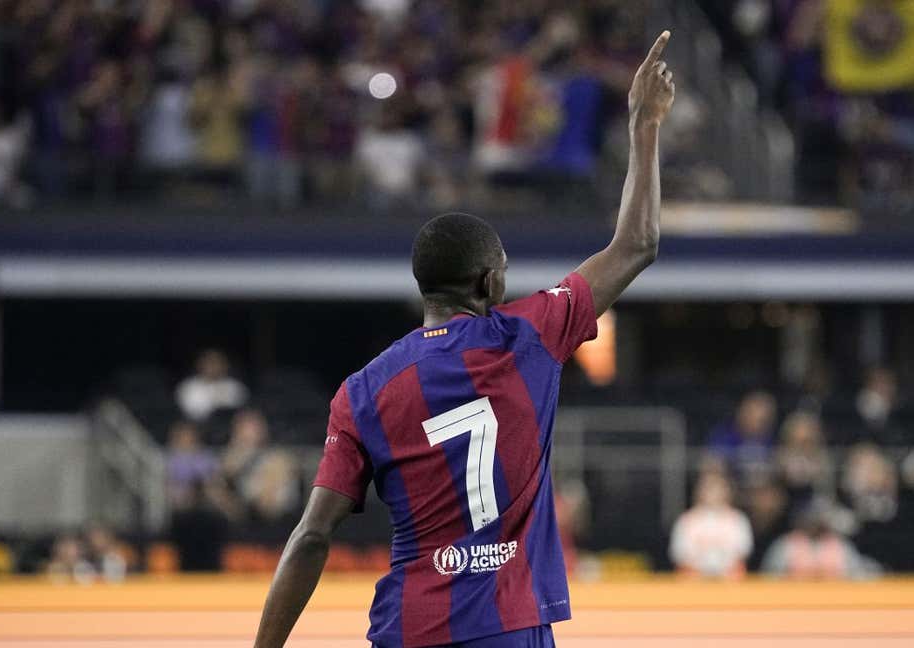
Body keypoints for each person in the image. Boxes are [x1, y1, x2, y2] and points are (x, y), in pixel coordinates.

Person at [253, 31, 676, 648]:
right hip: (509, 625)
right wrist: (643, 122)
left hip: (410, 628)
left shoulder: (362, 391)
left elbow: (313, 534)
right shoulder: (529, 333)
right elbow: (637, 243)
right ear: (489, 280)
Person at [669, 472, 753, 579]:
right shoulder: (687, 520)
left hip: (728, 577)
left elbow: (743, 550)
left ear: (727, 492)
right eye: (709, 489)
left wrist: (721, 568)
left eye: (718, 489)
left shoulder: (738, 519)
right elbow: (679, 552)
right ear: (699, 491)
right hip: (694, 577)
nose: (713, 494)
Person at [176, 349, 249, 423]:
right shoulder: (188, 387)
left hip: (228, 428)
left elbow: (242, 412)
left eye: (217, 362)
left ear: (225, 365)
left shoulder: (236, 387)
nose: (213, 366)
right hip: (198, 427)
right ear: (200, 365)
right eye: (209, 362)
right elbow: (189, 414)